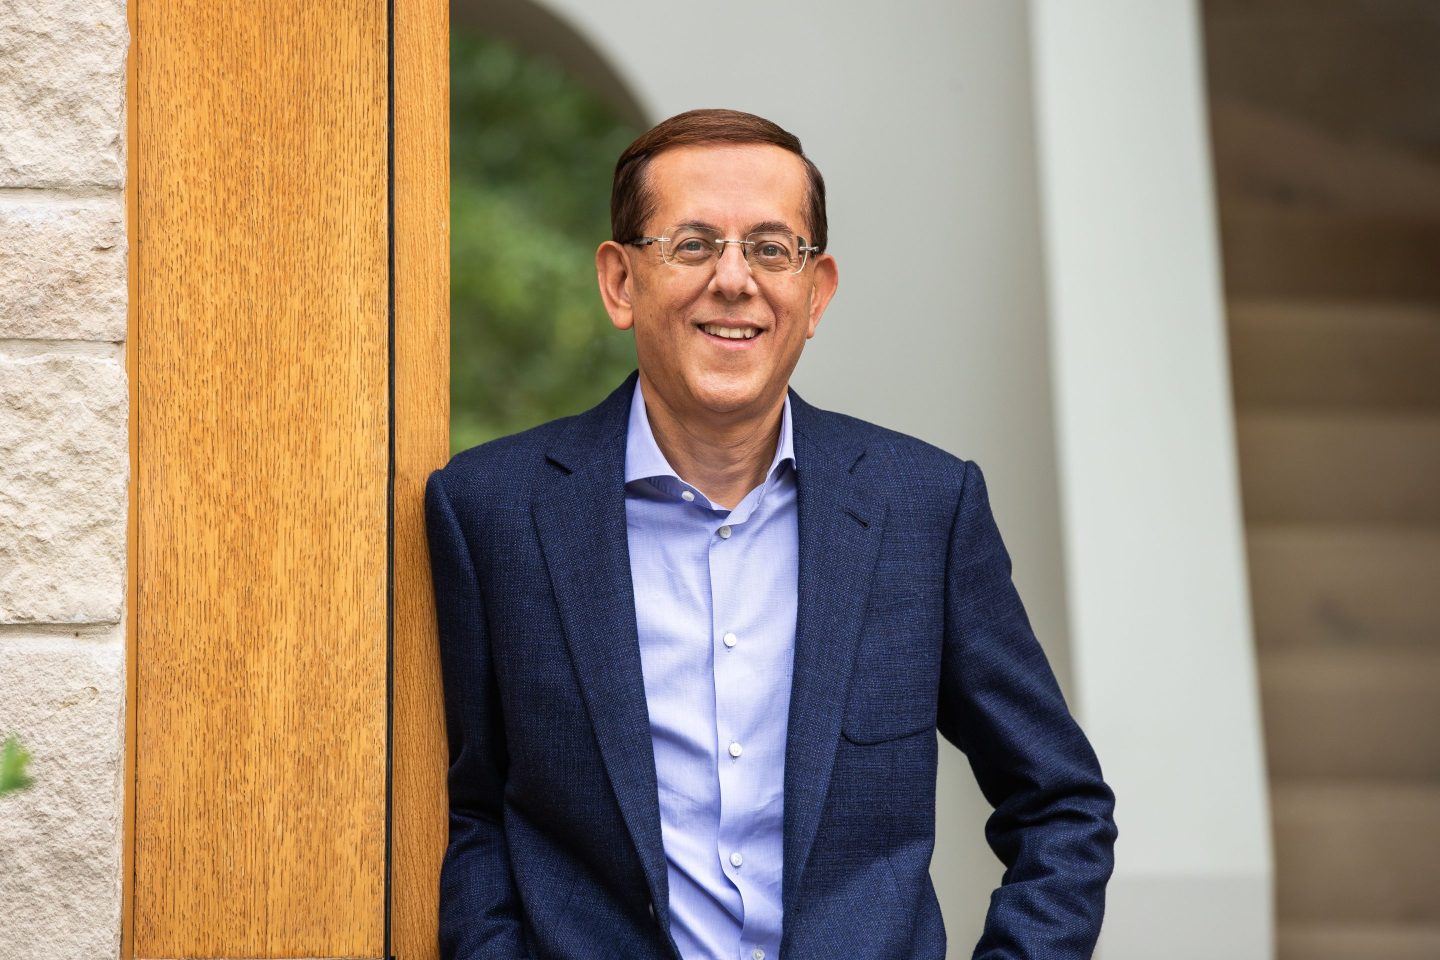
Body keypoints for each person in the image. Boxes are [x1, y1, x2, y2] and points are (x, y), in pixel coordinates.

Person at [424, 108, 1117, 960]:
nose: (734, 280)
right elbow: (474, 812)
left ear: (815, 291)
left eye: (770, 248)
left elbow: (1062, 806)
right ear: (619, 282)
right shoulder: (490, 513)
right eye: (691, 244)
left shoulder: (924, 509)